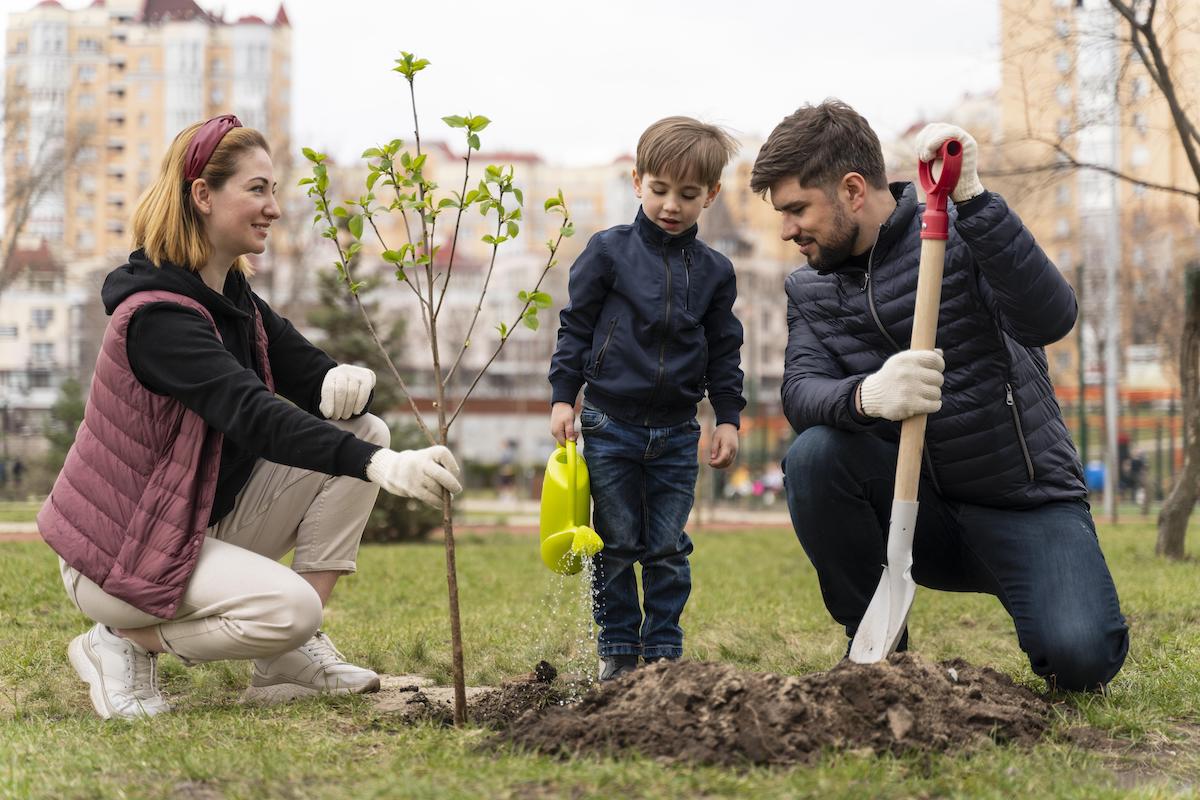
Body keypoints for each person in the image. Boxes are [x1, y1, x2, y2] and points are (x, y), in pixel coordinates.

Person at [38, 114, 464, 720]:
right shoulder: (157, 318)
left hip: (188, 525)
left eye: (274, 189)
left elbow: (311, 379)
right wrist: (379, 466)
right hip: (119, 555)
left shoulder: (234, 299)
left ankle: (286, 658)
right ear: (203, 196)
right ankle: (120, 645)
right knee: (289, 606)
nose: (274, 207)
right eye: (257, 189)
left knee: (364, 430)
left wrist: (347, 381)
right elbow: (254, 415)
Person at [751, 101, 1128, 691]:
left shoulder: (961, 237)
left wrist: (975, 201)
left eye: (797, 209)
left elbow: (1050, 317)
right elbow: (801, 392)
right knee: (814, 455)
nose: (786, 230)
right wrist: (868, 396)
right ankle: (877, 648)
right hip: (913, 514)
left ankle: (1051, 602)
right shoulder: (810, 289)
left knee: (1081, 658)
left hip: (1020, 502)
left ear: (852, 190)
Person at [548, 117, 746, 681]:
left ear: (709, 195)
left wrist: (727, 418)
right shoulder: (607, 253)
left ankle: (661, 653)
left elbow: (724, 350)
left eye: (687, 195)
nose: (671, 205)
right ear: (637, 181)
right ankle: (617, 651)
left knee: (666, 548)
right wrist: (565, 397)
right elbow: (575, 327)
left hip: (679, 432)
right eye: (659, 190)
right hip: (611, 423)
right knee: (616, 544)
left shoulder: (715, 272)